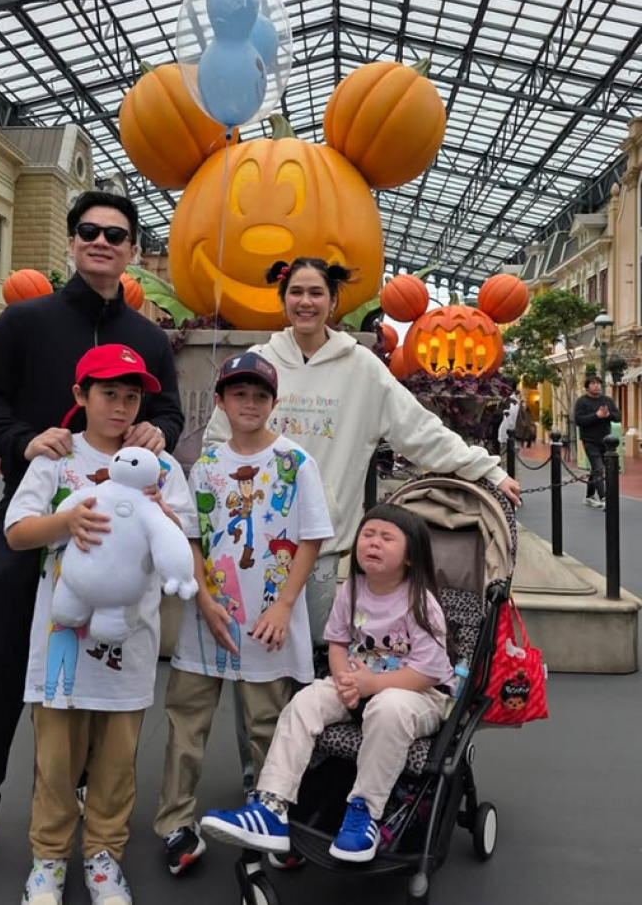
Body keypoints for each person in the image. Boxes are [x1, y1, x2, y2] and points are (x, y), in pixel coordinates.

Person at [0, 191, 184, 890]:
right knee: (0, 663)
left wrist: (159, 430)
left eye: (116, 234)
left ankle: (88, 820)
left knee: (96, 675)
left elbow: (168, 413)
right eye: (89, 230)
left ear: (131, 250)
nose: (102, 241)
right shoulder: (26, 320)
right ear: (71, 242)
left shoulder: (148, 337)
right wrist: (21, 440)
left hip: (112, 544)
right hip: (34, 524)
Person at [205, 258, 522, 647]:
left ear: (333, 302)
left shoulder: (362, 368)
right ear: (284, 299)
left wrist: (487, 470)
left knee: (312, 648)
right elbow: (217, 445)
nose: (306, 302)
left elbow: (419, 431)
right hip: (253, 537)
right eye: (296, 292)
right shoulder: (259, 362)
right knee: (252, 649)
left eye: (316, 292)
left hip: (320, 542)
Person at [4, 344, 196, 905]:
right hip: (61, 644)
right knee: (55, 761)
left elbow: (183, 540)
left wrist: (160, 512)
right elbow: (16, 532)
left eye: (131, 396)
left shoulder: (161, 467)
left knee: (116, 763)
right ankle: (48, 860)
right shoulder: (56, 458)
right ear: (80, 395)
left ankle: (104, 856)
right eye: (108, 393)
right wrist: (66, 521)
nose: (120, 406)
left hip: (129, 643)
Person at [153, 351, 333, 876]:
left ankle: (271, 814)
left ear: (273, 402)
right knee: (186, 723)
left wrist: (284, 606)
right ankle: (175, 822)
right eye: (239, 394)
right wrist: (203, 600)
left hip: (266, 622)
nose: (249, 404)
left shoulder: (296, 462)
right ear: (220, 401)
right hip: (207, 619)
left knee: (267, 727)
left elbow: (310, 538)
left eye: (259, 395)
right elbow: (193, 538)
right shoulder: (207, 466)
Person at [200, 503, 452, 864]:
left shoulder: (420, 601)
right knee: (306, 702)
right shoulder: (352, 590)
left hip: (415, 694)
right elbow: (338, 643)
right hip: (357, 685)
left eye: (386, 538)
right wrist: (344, 679)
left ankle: (364, 812)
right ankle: (272, 806)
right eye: (368, 534)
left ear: (411, 556)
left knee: (388, 706)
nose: (374, 543)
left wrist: (371, 685)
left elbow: (428, 671)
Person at [574, 375, 621, 509]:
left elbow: (618, 416)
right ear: (587, 387)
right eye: (593, 384)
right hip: (589, 440)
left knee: (596, 468)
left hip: (606, 441)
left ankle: (589, 496)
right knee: (598, 467)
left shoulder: (607, 400)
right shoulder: (581, 402)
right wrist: (596, 416)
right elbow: (579, 420)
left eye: (599, 383)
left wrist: (608, 415)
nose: (597, 386)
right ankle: (604, 497)